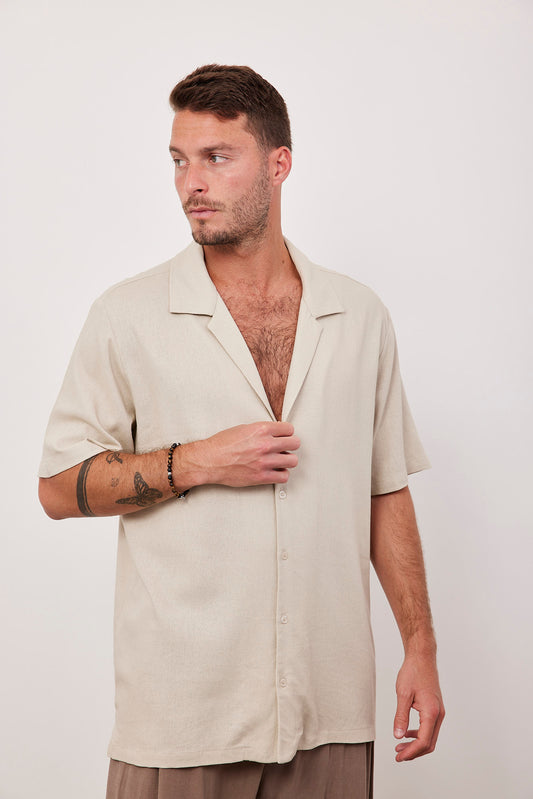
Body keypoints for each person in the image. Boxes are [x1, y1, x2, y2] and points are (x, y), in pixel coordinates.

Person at [39, 64, 444, 799]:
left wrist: (420, 647)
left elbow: (384, 489)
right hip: (182, 719)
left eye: (216, 157)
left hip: (329, 711)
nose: (190, 183)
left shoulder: (358, 315)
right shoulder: (128, 315)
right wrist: (195, 461)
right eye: (178, 160)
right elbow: (59, 489)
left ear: (279, 164)